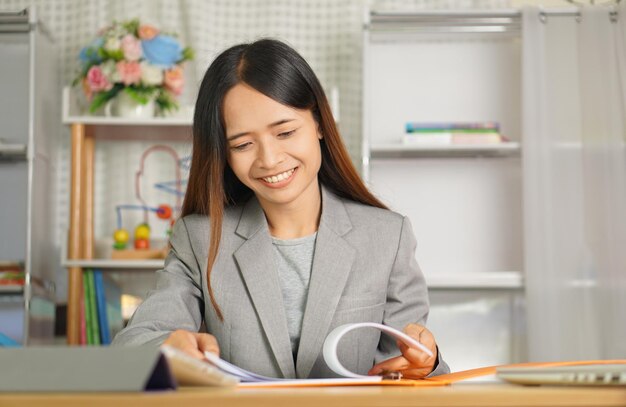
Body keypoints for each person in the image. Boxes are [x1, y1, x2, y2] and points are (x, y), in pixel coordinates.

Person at [112, 38, 449, 379]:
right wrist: (168, 348)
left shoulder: (387, 237)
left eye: (285, 132)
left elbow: (415, 374)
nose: (269, 160)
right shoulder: (199, 239)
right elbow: (133, 344)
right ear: (224, 154)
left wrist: (426, 364)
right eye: (243, 144)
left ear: (319, 123)